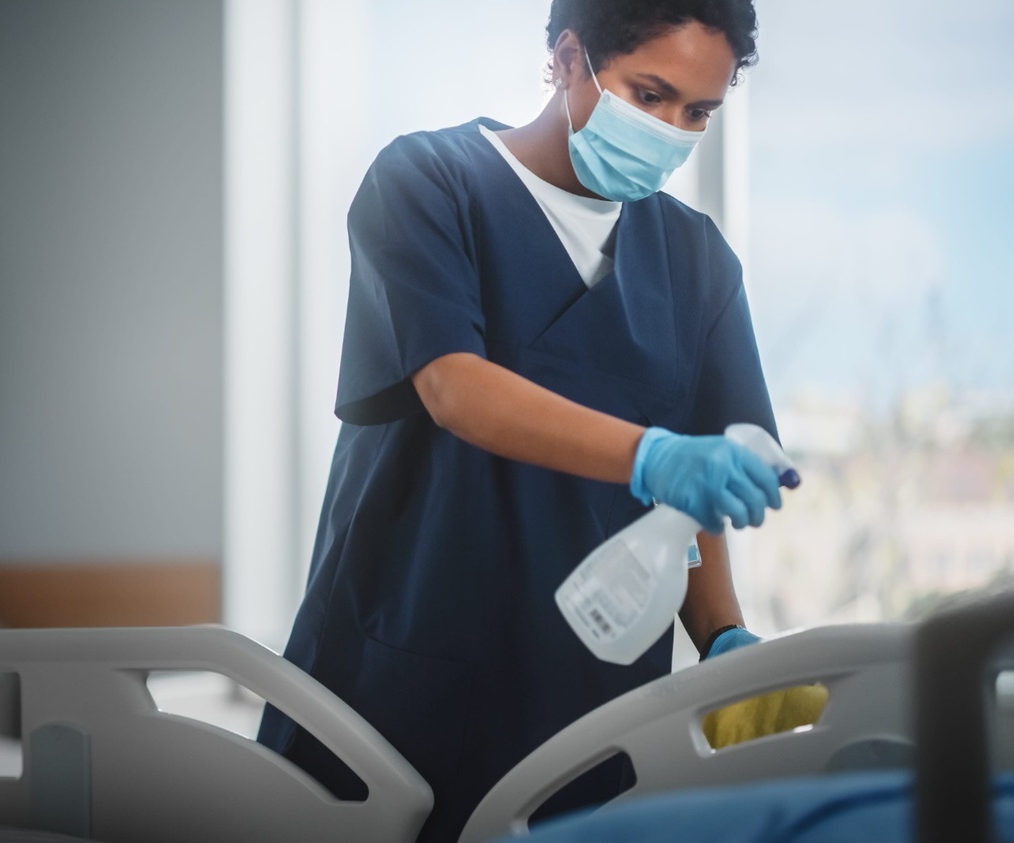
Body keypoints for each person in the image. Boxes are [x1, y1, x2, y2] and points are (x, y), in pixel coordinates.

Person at [256, 1, 787, 840]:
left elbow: (697, 492)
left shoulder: (697, 261)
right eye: (649, 95)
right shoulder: (430, 182)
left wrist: (721, 632)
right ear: (570, 59)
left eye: (698, 112)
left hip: (592, 700)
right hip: (400, 676)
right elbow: (456, 387)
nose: (671, 132)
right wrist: (652, 455)